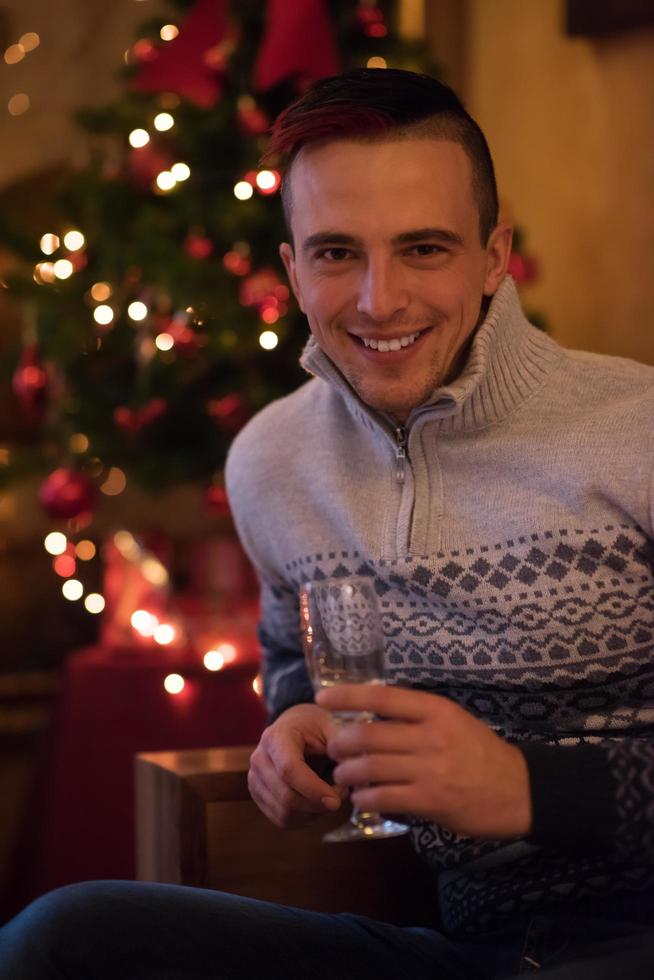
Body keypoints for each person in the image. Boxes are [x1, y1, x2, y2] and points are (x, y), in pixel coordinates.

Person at [1, 67, 653, 979]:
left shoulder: (638, 430)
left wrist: (533, 790)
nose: (379, 301)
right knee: (60, 940)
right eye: (338, 253)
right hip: (464, 954)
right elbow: (293, 666)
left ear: (495, 253)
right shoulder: (271, 464)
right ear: (292, 267)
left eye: (424, 248)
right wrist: (295, 720)